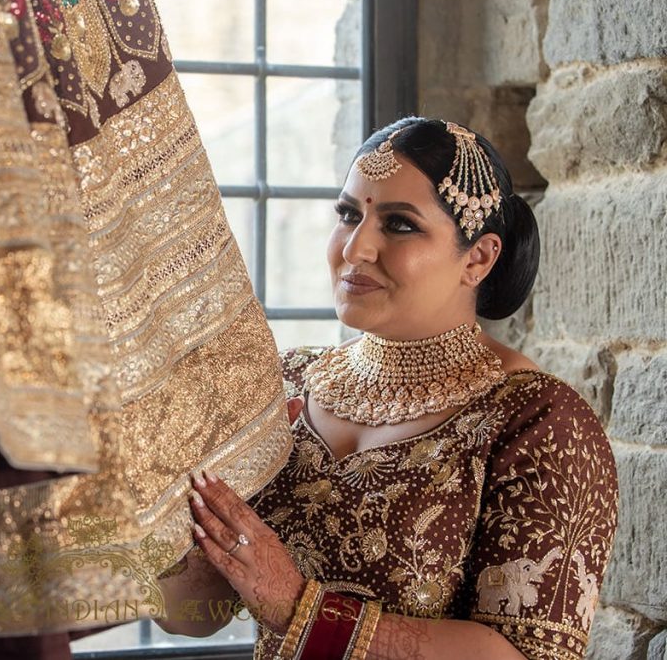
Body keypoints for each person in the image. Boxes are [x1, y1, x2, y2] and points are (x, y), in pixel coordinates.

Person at [154, 117, 619, 660]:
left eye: (398, 225)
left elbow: (530, 655)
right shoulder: (285, 382)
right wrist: (168, 475)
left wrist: (299, 606)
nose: (356, 248)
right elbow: (184, 615)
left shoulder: (537, 421)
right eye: (349, 214)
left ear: (479, 257)